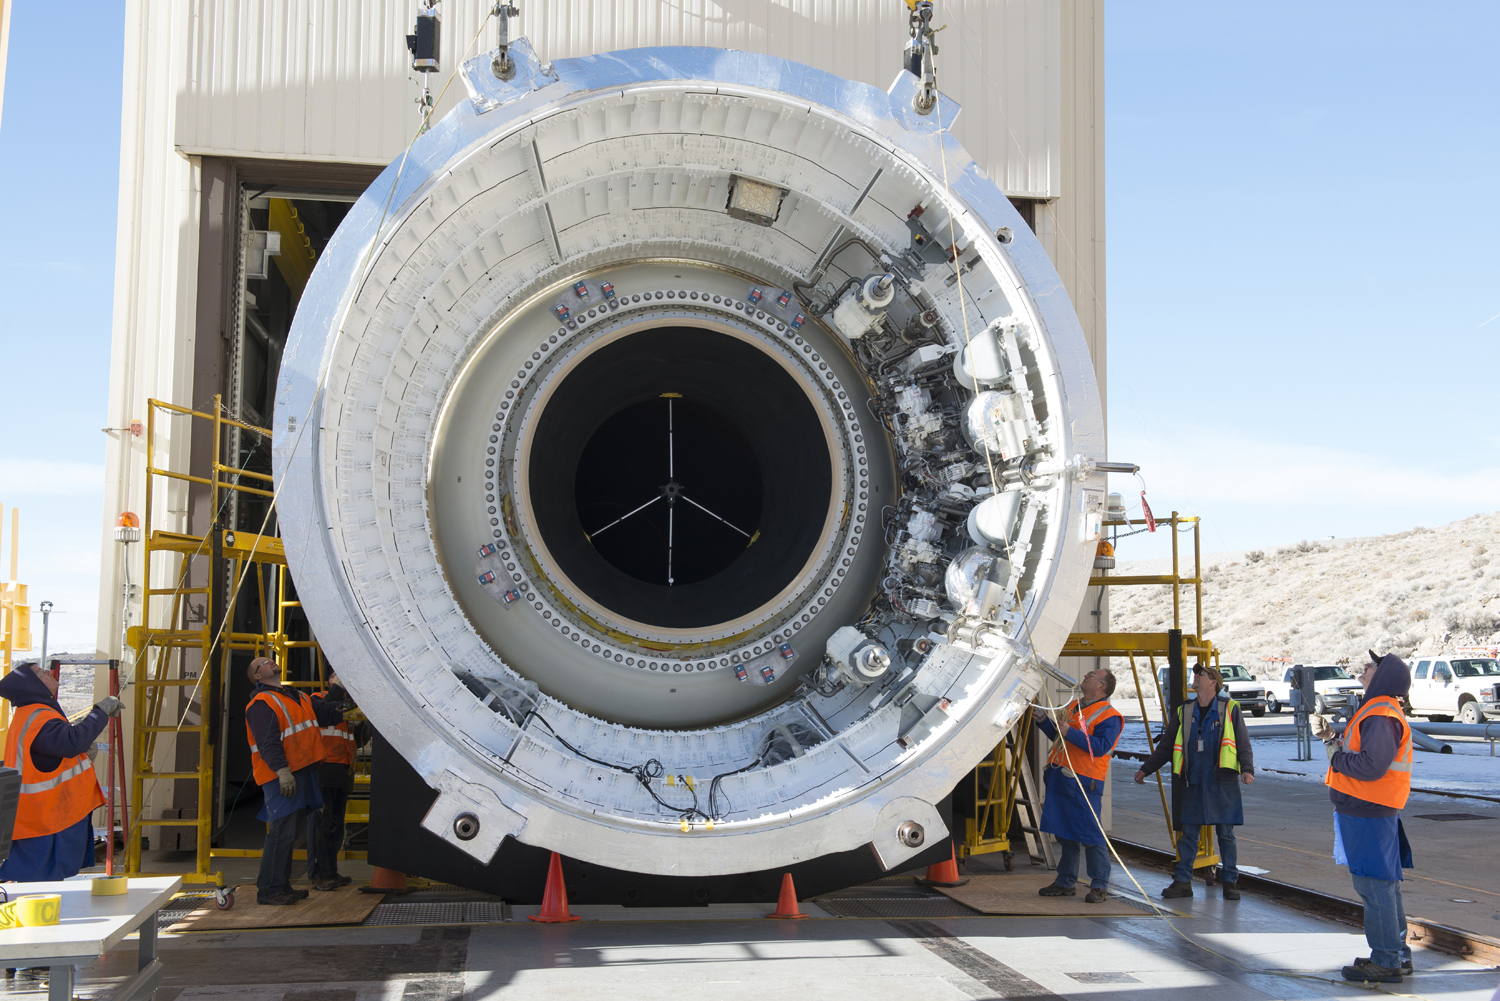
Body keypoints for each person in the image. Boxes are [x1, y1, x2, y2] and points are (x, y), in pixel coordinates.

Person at [1315, 651, 1415, 983]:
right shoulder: (1378, 710)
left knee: (1375, 886)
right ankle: (1395, 953)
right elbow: (1366, 754)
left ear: (1383, 676)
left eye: (1372, 665)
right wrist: (1333, 739)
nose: (1365, 667)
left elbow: (1371, 765)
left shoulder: (1380, 714)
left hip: (1367, 809)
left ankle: (1386, 960)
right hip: (1374, 809)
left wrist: (1336, 759)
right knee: (1385, 884)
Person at [1135, 663, 1255, 900]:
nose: (1196, 676)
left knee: (1226, 835)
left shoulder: (1229, 708)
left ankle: (1230, 883)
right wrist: (1145, 769)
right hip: (1192, 782)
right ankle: (1182, 882)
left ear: (1213, 683)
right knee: (1188, 835)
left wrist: (1247, 769)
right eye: (1196, 673)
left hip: (1222, 782)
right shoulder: (1184, 711)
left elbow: (1243, 742)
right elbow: (1166, 747)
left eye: (1202, 674)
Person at [0, 662, 122, 881]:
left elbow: (53, 754)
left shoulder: (30, 715)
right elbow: (71, 743)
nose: (48, 672)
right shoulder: (39, 717)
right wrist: (100, 712)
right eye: (40, 672)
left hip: (42, 816)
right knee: (39, 884)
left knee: (41, 880)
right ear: (32, 685)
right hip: (46, 818)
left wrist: (82, 754)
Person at [245, 656, 344, 905]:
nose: (271, 662)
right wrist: (282, 771)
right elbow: (267, 742)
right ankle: (269, 889)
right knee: (281, 832)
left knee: (287, 833)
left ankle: (281, 886)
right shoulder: (261, 702)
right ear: (258, 676)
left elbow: (327, 713)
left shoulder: (297, 697)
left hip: (302, 770)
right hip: (282, 774)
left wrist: (345, 693)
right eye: (264, 662)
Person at [1033, 667, 1123, 902]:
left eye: (1092, 675)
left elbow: (1101, 747)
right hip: (1061, 775)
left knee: (1091, 834)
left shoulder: (1109, 716)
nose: (1086, 675)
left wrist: (1070, 733)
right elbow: (1059, 737)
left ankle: (1099, 885)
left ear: (1101, 687)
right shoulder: (1073, 706)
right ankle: (1065, 882)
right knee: (1065, 833)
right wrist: (1043, 721)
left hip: (1085, 780)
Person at [305, 673, 369, 891]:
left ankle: (330, 871)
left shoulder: (348, 706)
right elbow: (325, 711)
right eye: (338, 675)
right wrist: (340, 687)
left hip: (342, 770)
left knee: (335, 826)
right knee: (320, 826)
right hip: (323, 768)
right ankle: (318, 874)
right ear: (331, 680)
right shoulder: (317, 699)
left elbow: (358, 739)